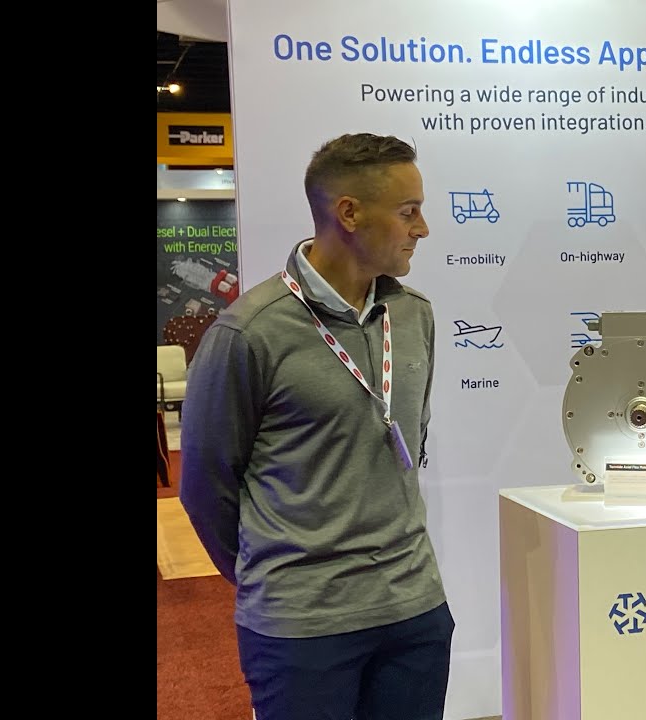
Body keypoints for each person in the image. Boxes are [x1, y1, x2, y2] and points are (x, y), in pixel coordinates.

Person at [180, 132, 452, 720]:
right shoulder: (249, 332)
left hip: (414, 612)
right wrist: (275, 580)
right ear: (349, 214)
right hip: (302, 628)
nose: (423, 229)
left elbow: (412, 442)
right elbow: (204, 485)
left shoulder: (414, 315)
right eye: (408, 212)